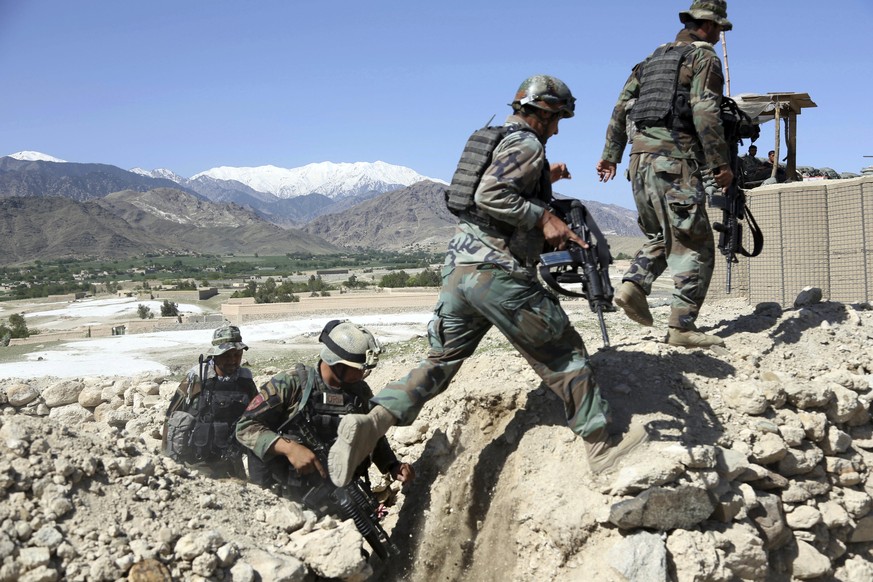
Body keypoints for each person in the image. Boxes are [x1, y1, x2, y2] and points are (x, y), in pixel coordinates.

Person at [327, 74, 649, 489]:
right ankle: (602, 446)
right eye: (555, 120)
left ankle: (373, 423)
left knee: (440, 362)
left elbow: (491, 192)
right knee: (565, 353)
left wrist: (546, 179)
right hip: (497, 273)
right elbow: (491, 196)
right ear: (541, 112)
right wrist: (544, 217)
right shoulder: (527, 143)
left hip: (460, 271)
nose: (555, 129)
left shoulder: (501, 138)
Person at [595, 0, 735, 348]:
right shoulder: (704, 58)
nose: (719, 35)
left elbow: (619, 109)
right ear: (707, 25)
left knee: (662, 236)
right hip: (676, 162)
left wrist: (610, 156)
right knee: (697, 246)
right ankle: (681, 327)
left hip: (639, 164)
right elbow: (705, 110)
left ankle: (633, 287)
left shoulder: (649, 62)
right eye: (719, 28)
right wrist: (720, 162)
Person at [235, 320, 415, 504]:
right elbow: (245, 427)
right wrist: (289, 448)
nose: (362, 375)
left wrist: (391, 465)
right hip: (287, 498)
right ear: (336, 363)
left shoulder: (359, 392)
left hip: (340, 494)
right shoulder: (291, 384)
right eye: (357, 369)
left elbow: (371, 434)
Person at [163, 324, 267, 479]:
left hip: (231, 460)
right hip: (198, 462)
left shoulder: (245, 381)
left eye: (237, 355)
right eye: (226, 355)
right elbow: (171, 417)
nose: (232, 360)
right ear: (215, 356)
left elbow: (258, 415)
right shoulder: (197, 379)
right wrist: (167, 462)